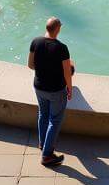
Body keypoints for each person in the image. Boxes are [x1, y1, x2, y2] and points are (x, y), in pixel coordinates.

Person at [28, 17, 75, 168]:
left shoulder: (35, 42)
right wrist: (70, 88)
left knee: (43, 114)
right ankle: (47, 156)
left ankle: (43, 144)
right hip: (56, 90)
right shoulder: (62, 48)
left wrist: (44, 70)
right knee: (55, 120)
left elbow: (30, 65)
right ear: (58, 29)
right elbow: (68, 72)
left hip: (39, 87)